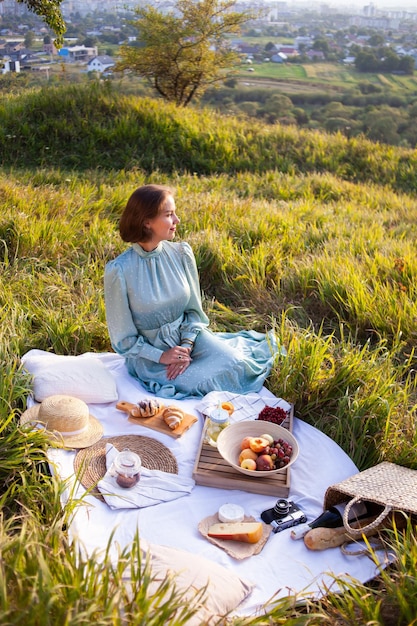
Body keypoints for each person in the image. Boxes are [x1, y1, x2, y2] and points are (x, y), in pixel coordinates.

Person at [104, 184, 282, 399]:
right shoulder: (119, 271)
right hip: (151, 355)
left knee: (237, 364)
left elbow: (194, 310)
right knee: (201, 383)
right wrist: (163, 356)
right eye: (169, 215)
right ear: (146, 221)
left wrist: (186, 345)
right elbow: (123, 339)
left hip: (189, 338)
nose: (177, 220)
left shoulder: (181, 253)